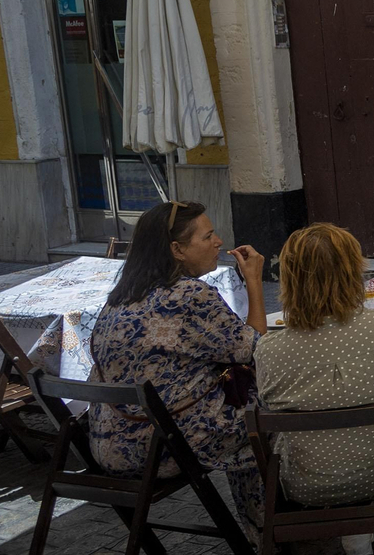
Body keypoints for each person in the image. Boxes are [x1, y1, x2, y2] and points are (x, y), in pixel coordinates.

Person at [89, 201, 268, 536]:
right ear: (177, 249)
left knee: (243, 399)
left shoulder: (120, 296)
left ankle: (263, 527)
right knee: (265, 410)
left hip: (108, 444)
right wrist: (254, 280)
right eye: (208, 236)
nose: (218, 242)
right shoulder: (188, 296)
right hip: (162, 448)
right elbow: (254, 348)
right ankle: (265, 530)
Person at [255, 224, 374, 531]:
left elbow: (269, 404)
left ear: (289, 279)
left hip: (309, 483)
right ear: (353, 273)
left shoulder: (270, 348)